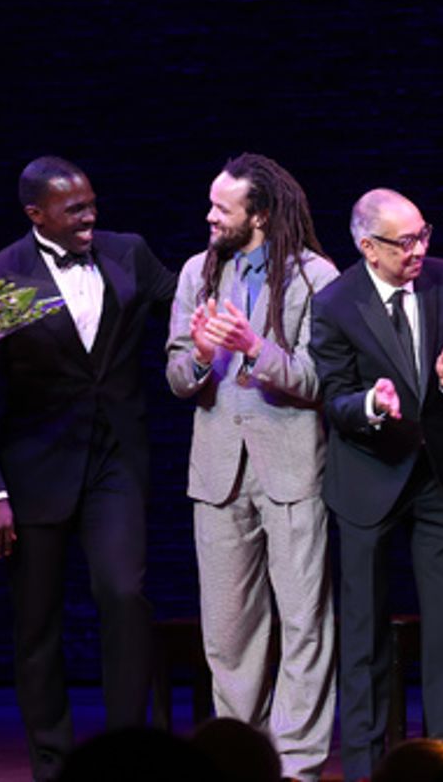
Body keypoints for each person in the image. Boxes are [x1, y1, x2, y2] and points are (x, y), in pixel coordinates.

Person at [0, 156, 176, 781]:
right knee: (37, 623)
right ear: (36, 214)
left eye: (90, 203)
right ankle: (53, 764)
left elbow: (185, 309)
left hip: (116, 463)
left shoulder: (128, 253)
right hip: (32, 471)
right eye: (74, 208)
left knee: (123, 594)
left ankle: (129, 757)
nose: (89, 216)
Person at [165, 153, 339, 781]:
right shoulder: (197, 272)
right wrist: (204, 355)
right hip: (216, 472)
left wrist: (254, 348)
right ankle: (240, 759)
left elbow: (321, 380)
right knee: (228, 631)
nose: (209, 217)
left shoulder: (314, 276)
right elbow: (177, 375)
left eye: (222, 208)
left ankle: (297, 765)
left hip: (291, 468)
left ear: (259, 215)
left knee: (302, 623)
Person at [309, 188, 443, 781]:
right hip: (368, 477)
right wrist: (370, 405)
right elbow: (332, 396)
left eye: (423, 234)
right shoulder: (334, 304)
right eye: (405, 242)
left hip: (438, 474)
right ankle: (363, 765)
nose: (420, 250)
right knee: (363, 632)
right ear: (367, 247)